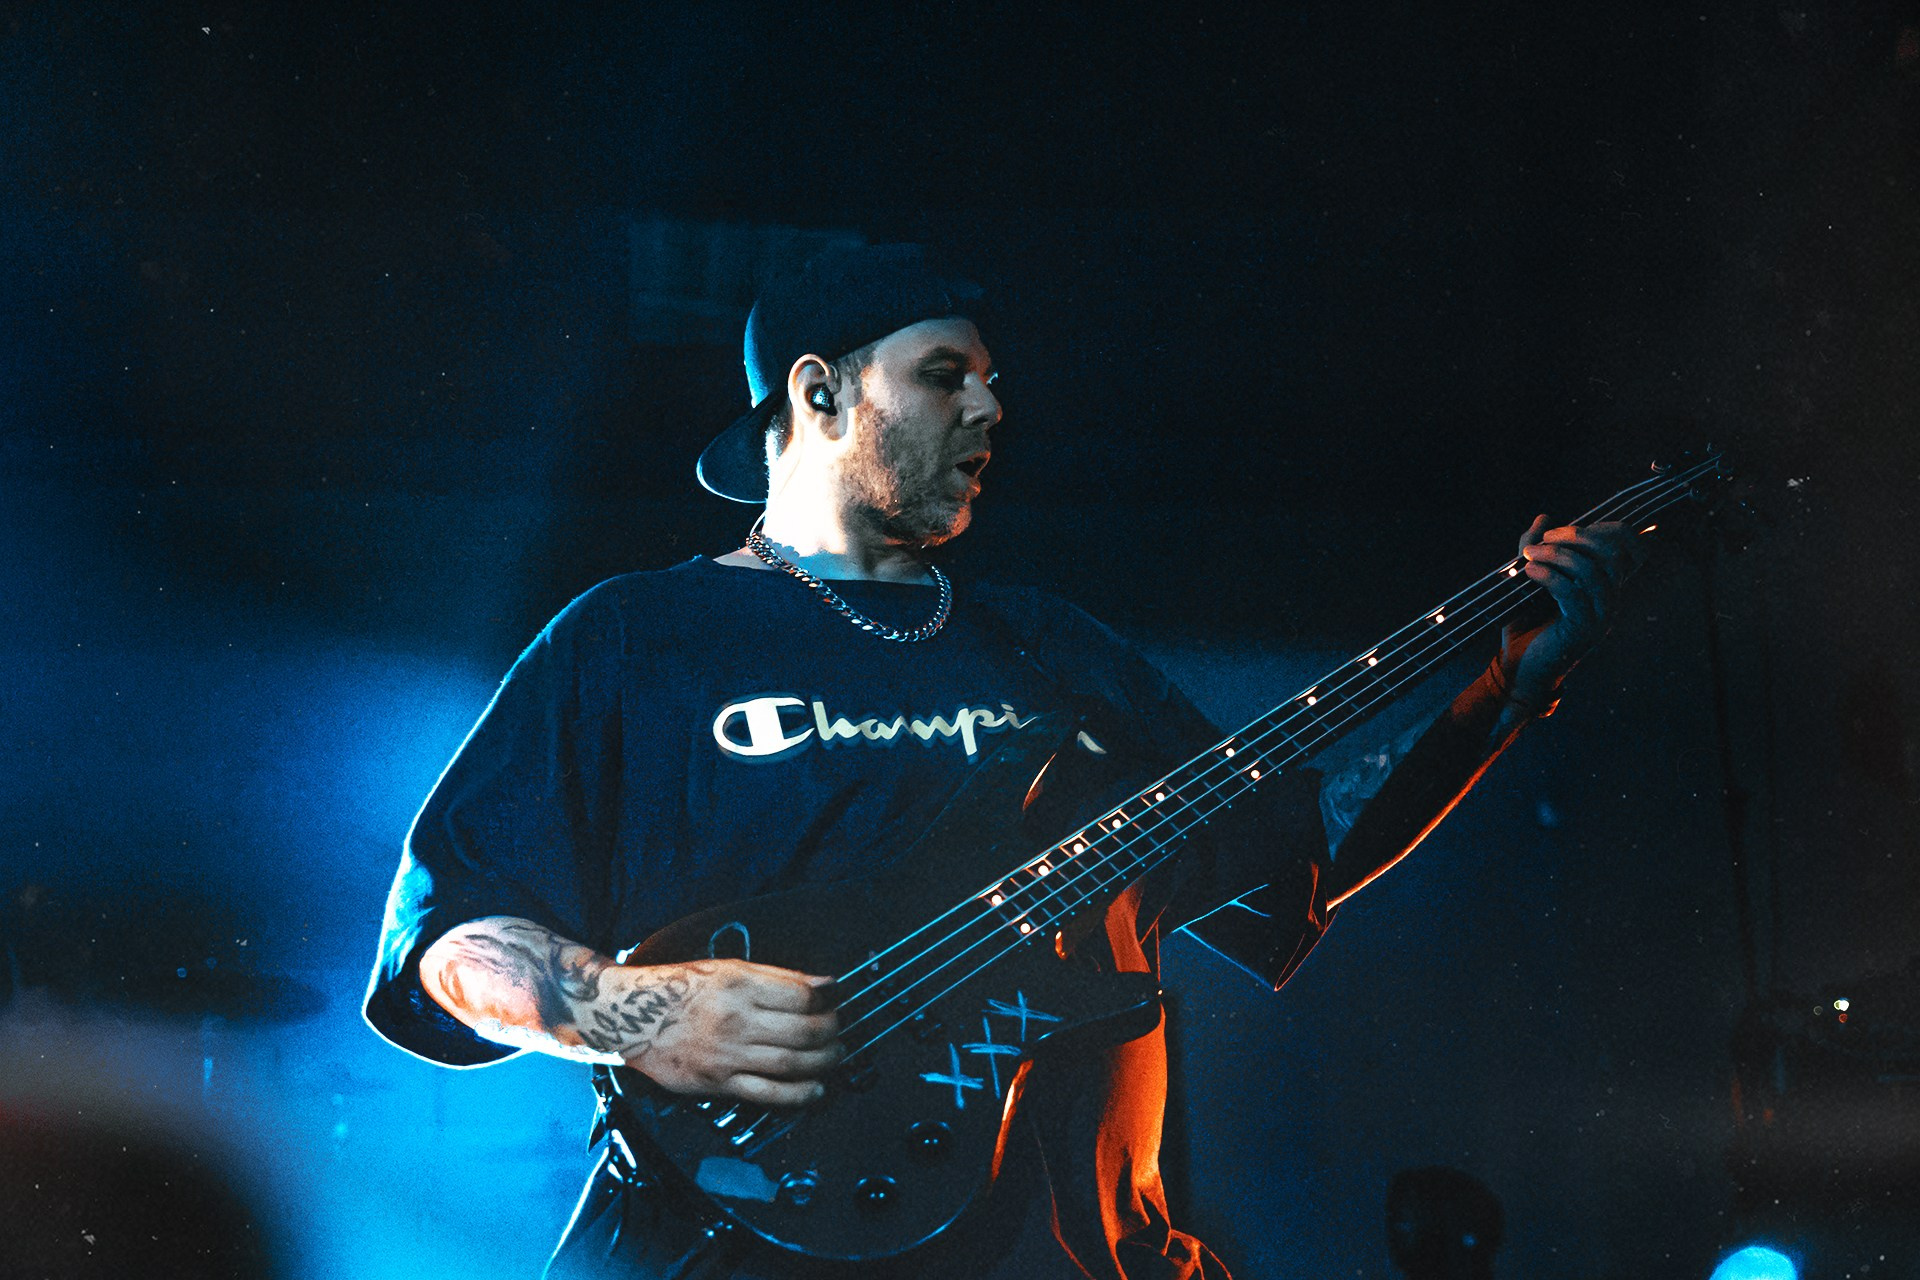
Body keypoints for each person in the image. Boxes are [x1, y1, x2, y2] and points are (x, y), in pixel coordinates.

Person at [363, 243, 1642, 1279]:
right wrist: (631, 1010)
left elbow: (1294, 851)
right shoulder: (636, 637)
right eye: (944, 376)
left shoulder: (1054, 651)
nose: (988, 408)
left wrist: (1500, 694)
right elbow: (449, 940)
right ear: (818, 393)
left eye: (989, 381)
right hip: (732, 1244)